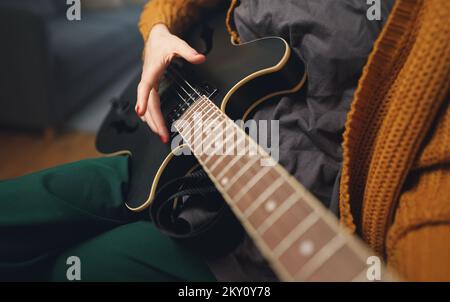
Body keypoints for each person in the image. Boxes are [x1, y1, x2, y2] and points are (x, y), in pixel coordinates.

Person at [0, 0, 449, 281]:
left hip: (277, 203)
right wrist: (157, 34)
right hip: (174, 135)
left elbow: (435, 177)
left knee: (76, 270)